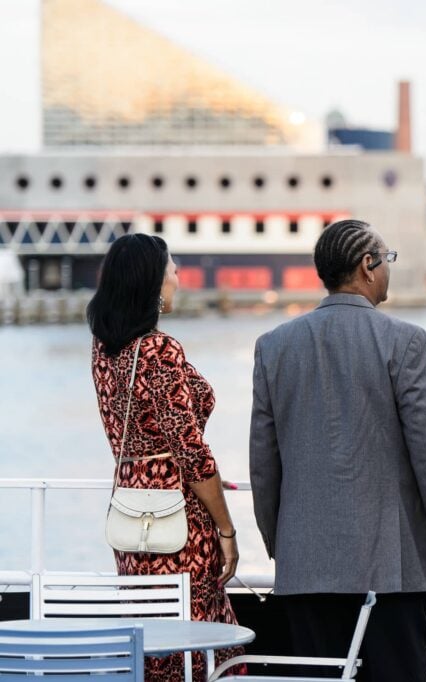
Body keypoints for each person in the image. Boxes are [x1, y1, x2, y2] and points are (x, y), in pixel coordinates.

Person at [250, 219, 426, 682]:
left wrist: (281, 543)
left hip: (305, 564)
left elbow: (263, 463)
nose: (389, 268)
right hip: (392, 568)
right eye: (387, 259)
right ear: (367, 267)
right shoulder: (404, 341)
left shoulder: (274, 346)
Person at [88, 234, 244, 682]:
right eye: (173, 268)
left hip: (131, 519)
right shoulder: (159, 351)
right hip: (178, 522)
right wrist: (226, 528)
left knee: (147, 639)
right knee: (191, 642)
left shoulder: (104, 348)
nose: (179, 277)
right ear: (153, 282)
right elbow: (191, 452)